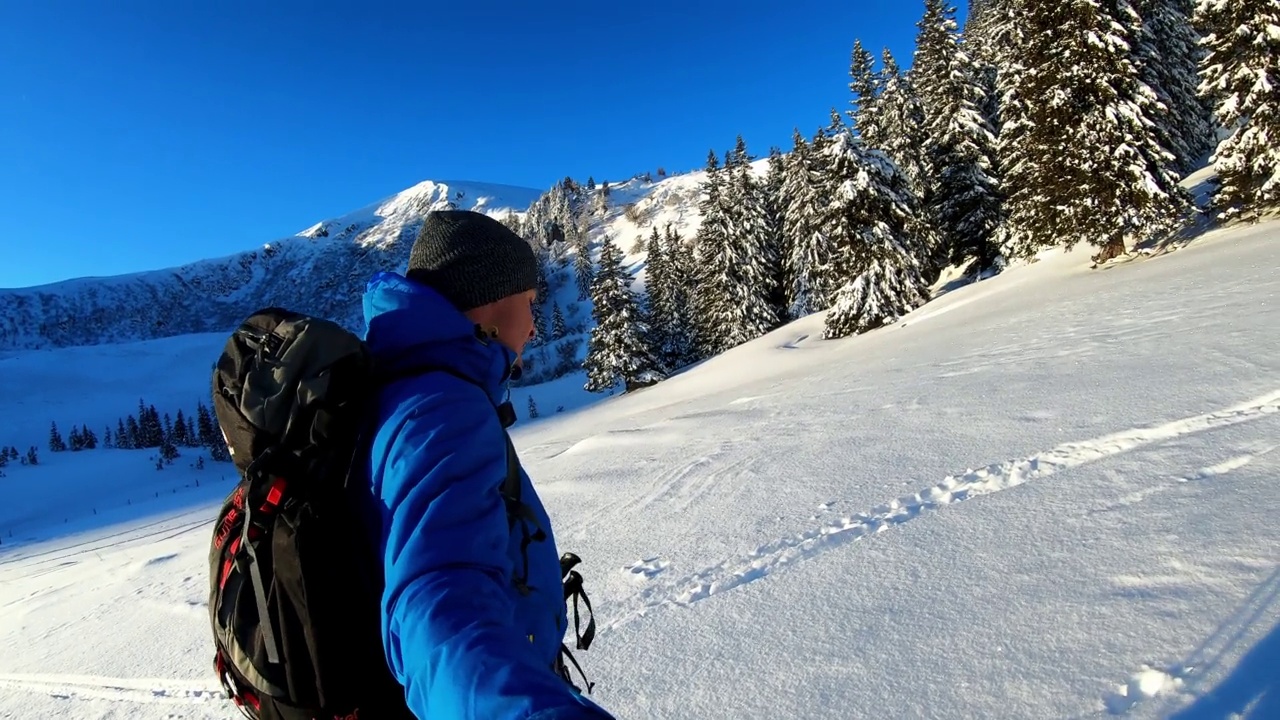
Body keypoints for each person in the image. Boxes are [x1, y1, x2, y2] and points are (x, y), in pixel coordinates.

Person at [357, 210, 614, 720]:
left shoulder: (404, 388)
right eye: (530, 302)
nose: (536, 324)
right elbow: (440, 606)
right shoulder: (442, 409)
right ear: (492, 307)